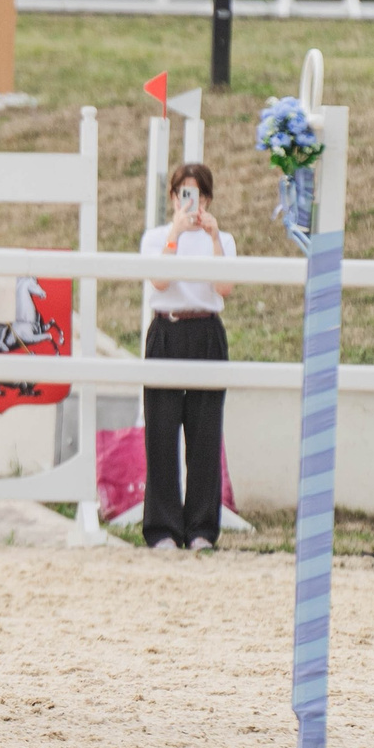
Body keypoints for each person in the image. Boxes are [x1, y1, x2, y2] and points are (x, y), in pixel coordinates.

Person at [139, 161, 235, 551]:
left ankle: (200, 528)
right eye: (183, 193)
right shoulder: (156, 237)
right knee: (160, 431)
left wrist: (212, 238)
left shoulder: (223, 239)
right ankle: (162, 527)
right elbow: (159, 280)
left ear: (208, 199)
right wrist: (175, 234)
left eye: (196, 193)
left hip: (206, 331)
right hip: (166, 329)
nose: (189, 200)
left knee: (205, 432)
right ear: (173, 197)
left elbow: (224, 287)